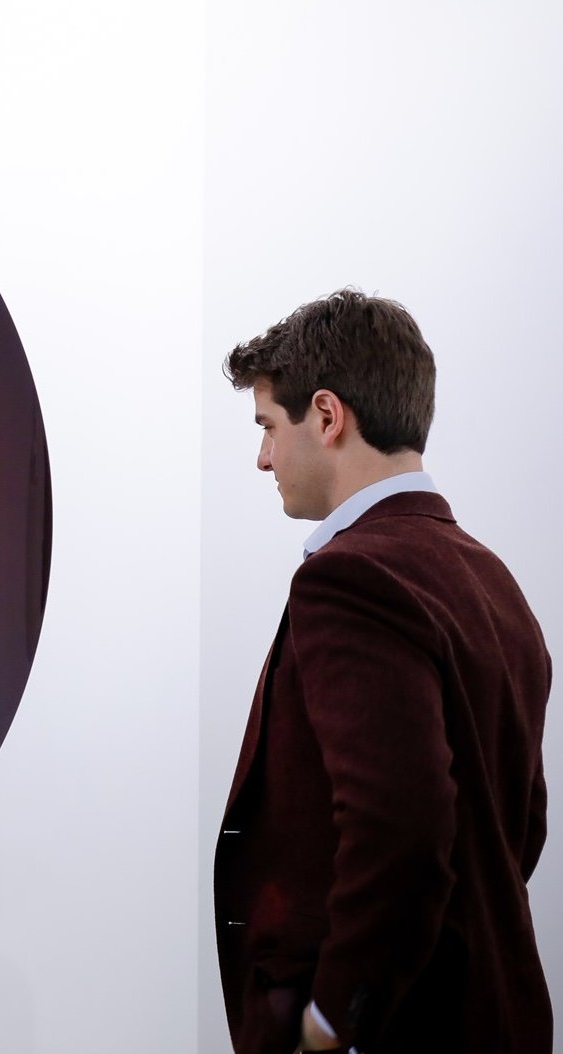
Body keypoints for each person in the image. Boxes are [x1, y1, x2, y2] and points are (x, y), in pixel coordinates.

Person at [213, 289, 552, 1053]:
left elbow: (400, 823)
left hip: (400, 1026)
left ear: (327, 417)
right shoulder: (493, 582)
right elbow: (519, 828)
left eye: (269, 426)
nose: (262, 457)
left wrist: (333, 1021)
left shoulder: (349, 579)